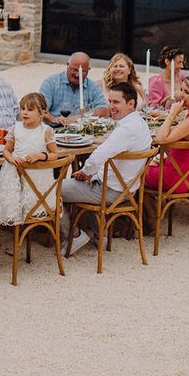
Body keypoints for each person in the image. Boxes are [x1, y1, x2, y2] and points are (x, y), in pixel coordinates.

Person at [59, 82, 152, 253]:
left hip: (110, 192)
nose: (111, 106)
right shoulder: (139, 123)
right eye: (109, 101)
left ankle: (74, 235)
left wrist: (85, 172)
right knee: (87, 182)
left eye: (116, 102)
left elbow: (100, 155)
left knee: (50, 190)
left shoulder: (127, 129)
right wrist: (90, 173)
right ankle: (99, 236)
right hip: (128, 190)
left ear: (131, 104)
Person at [0, 93, 60, 226]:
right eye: (23, 109)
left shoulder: (46, 131)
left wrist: (40, 156)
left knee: (35, 198)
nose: (25, 113)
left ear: (42, 113)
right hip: (15, 175)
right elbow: (6, 150)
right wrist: (11, 159)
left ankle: (34, 216)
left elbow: (55, 154)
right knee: (12, 202)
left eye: (30, 110)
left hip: (37, 179)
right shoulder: (16, 128)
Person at [144, 76, 189, 193]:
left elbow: (160, 139)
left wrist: (172, 114)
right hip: (187, 177)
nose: (181, 95)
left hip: (175, 178)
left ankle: (132, 209)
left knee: (133, 173)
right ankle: (151, 209)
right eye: (181, 90)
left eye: (186, 92)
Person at [39, 51, 108, 125]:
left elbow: (103, 110)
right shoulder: (51, 82)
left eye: (83, 71)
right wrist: (56, 121)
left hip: (81, 131)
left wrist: (75, 118)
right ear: (68, 66)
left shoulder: (93, 87)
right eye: (75, 70)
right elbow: (41, 110)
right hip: (53, 129)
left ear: (89, 70)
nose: (78, 75)